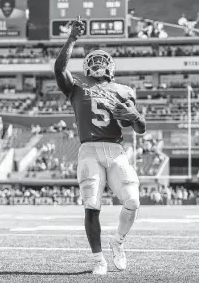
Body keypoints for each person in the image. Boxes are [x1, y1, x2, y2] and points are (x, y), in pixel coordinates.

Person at [53, 16, 146, 275]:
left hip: (116, 150)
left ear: (111, 67)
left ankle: (118, 241)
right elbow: (59, 70)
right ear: (86, 66)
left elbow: (140, 128)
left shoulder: (124, 91)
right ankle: (98, 260)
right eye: (93, 61)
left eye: (102, 61)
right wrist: (72, 39)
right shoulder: (78, 85)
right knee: (92, 206)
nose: (98, 63)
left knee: (133, 202)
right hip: (90, 149)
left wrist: (136, 116)